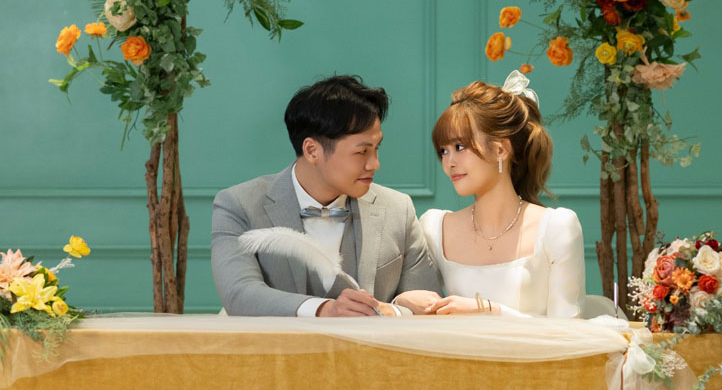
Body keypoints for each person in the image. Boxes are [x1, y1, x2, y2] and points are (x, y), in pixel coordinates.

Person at [212, 75, 443, 316]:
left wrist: (393, 310)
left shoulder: (398, 209)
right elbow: (239, 293)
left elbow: (429, 307)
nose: (375, 164)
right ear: (312, 150)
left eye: (376, 149)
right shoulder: (239, 205)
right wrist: (325, 309)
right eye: (362, 151)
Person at [408, 71, 587, 317]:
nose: (449, 163)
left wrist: (490, 310)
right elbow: (421, 318)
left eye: (459, 147)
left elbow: (569, 329)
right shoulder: (434, 228)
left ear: (501, 150)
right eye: (443, 151)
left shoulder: (557, 227)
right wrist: (401, 300)